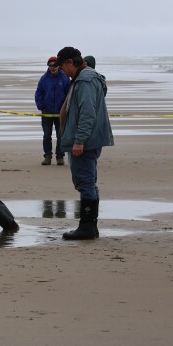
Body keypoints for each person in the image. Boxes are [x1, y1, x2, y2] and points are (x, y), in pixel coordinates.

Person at [56, 46, 114, 240]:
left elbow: (87, 113)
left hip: (85, 141)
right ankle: (90, 226)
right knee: (87, 181)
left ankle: (87, 227)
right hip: (88, 139)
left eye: (63, 66)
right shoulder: (85, 78)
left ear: (71, 62)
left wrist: (79, 140)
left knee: (85, 181)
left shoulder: (85, 80)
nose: (62, 71)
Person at [34, 55, 71, 166]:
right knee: (47, 135)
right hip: (47, 112)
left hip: (61, 112)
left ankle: (60, 157)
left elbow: (69, 93)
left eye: (54, 65)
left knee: (60, 136)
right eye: (50, 65)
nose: (52, 67)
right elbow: (38, 93)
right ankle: (47, 156)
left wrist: (65, 107)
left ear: (58, 65)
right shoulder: (44, 78)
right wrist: (41, 106)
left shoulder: (65, 77)